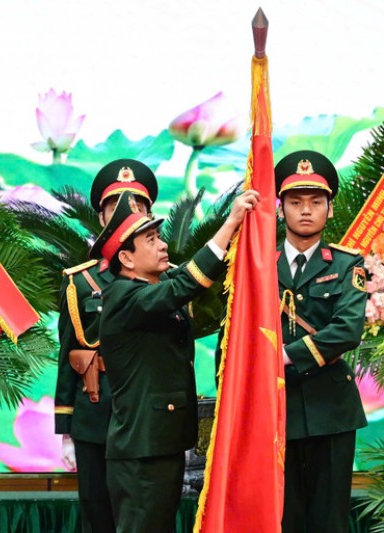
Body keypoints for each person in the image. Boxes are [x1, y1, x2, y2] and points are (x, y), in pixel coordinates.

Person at [94, 188, 259, 532]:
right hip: (142, 451)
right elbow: (185, 283)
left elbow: (180, 277)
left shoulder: (148, 287)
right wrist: (230, 223)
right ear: (126, 259)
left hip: (159, 443)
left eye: (159, 237)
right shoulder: (124, 298)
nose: (163, 245)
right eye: (151, 240)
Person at [54, 159, 158, 533]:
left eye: (137, 206)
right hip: (95, 415)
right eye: (115, 207)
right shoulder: (79, 283)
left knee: (146, 516)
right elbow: (68, 356)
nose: (126, 213)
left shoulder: (167, 279)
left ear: (150, 216)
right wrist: (66, 430)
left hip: (147, 417)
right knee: (97, 514)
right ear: (101, 218)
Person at [274, 150, 368, 533]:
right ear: (280, 208)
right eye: (296, 202)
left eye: (316, 202)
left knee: (330, 520)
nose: (305, 210)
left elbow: (348, 329)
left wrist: (284, 355)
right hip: (275, 407)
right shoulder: (258, 264)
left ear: (329, 209)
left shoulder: (347, 264)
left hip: (331, 408)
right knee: (282, 518)